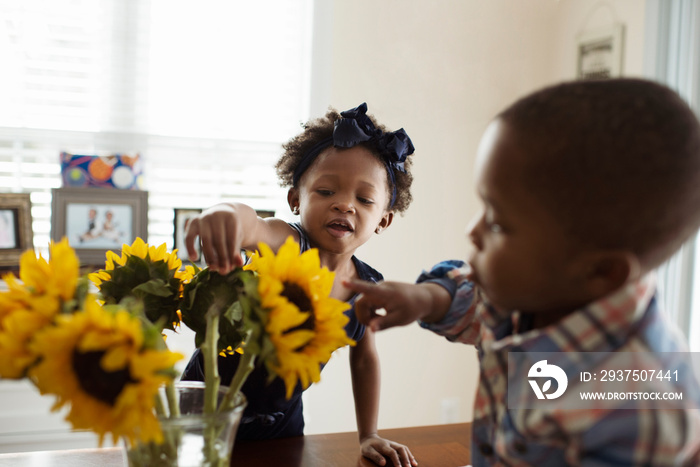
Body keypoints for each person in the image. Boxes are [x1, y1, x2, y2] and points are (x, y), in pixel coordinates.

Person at [345, 79, 700, 466]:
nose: (473, 230)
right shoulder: (544, 290)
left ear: (601, 270)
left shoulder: (639, 412)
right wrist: (425, 299)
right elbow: (472, 299)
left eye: (498, 223)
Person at [182, 103, 417, 467]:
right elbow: (254, 226)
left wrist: (368, 434)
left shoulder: (367, 286)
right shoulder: (290, 245)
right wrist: (227, 214)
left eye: (364, 199)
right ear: (295, 200)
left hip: (282, 425)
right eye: (325, 192)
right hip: (204, 413)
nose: (344, 205)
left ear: (383, 221)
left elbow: (365, 358)